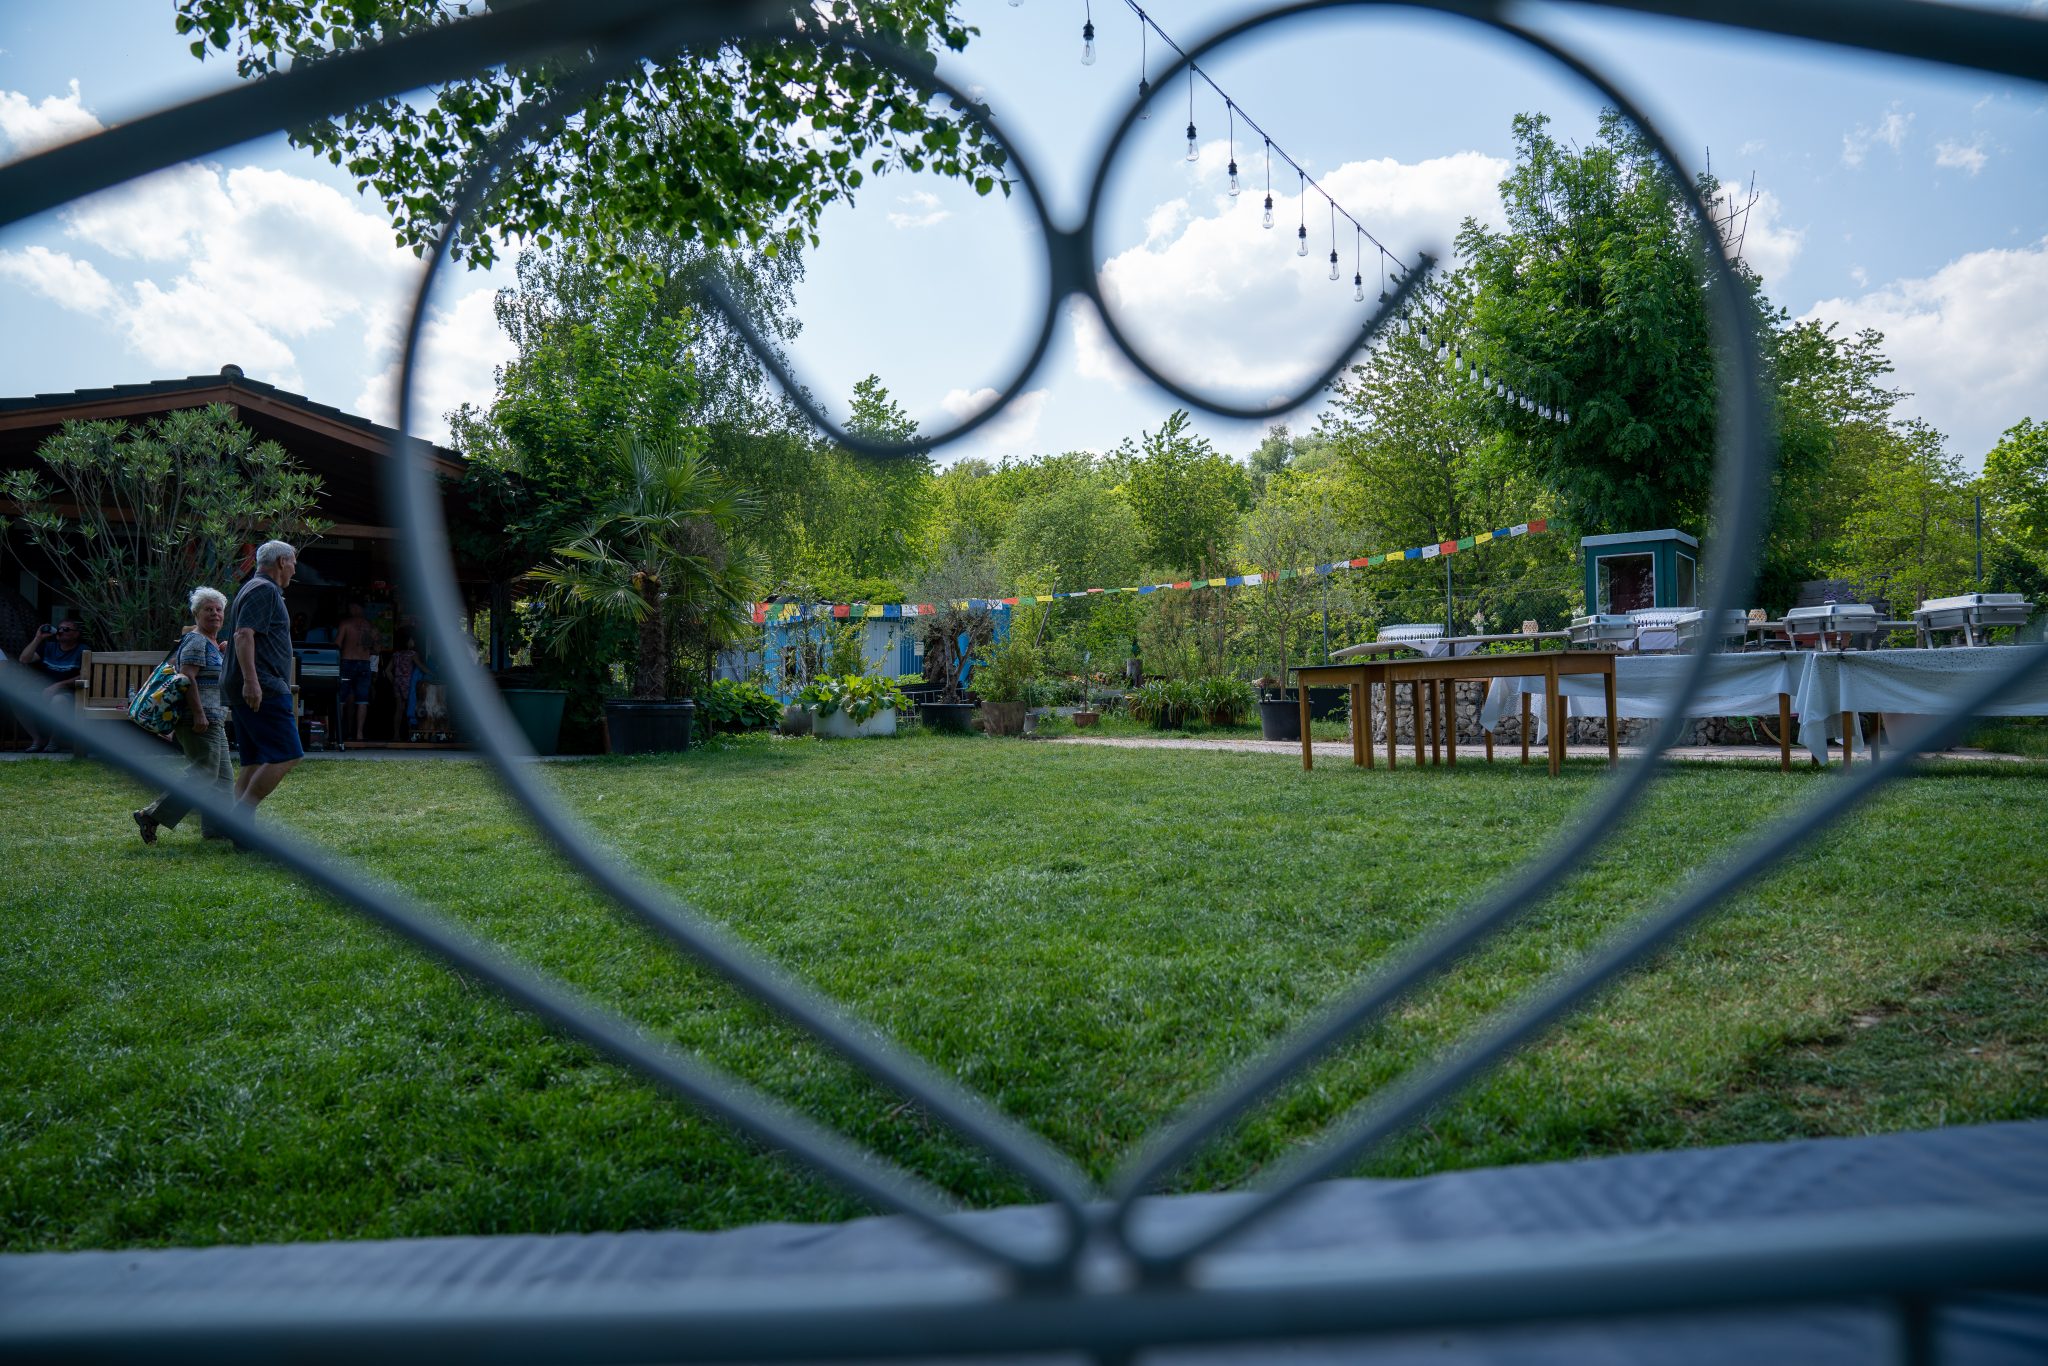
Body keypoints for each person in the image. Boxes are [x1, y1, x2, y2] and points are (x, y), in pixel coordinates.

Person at [133, 588, 233, 844]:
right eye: (208, 609)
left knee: (222, 780)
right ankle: (150, 815)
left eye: (219, 609)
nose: (215, 614)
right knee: (205, 773)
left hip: (214, 718)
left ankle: (217, 830)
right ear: (196, 613)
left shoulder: (212, 643)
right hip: (198, 718)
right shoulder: (197, 640)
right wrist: (198, 714)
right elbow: (186, 678)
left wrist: (223, 653)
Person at [221, 540, 303, 828]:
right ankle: (239, 819)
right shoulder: (264, 590)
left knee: (254, 759)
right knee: (287, 754)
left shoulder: (253, 588)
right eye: (293, 563)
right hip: (263, 686)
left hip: (255, 684)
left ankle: (236, 827)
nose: (294, 570)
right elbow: (243, 635)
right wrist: (252, 682)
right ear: (281, 562)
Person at [17, 617, 86, 752]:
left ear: (76, 634)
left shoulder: (82, 650)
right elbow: (24, 659)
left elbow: (84, 676)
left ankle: (54, 740)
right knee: (17, 698)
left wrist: (58, 685)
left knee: (58, 701)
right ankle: (37, 739)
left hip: (69, 692)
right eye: (59, 628)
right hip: (44, 689)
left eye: (66, 629)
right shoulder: (49, 647)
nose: (61, 631)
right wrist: (38, 638)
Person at [334, 600, 380, 748]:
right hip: (364, 663)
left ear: (355, 607)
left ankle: (337, 733)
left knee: (341, 699)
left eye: (351, 607)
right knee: (362, 701)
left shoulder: (346, 624)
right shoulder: (371, 627)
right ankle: (359, 734)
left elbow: (337, 645)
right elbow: (377, 649)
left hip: (347, 662)